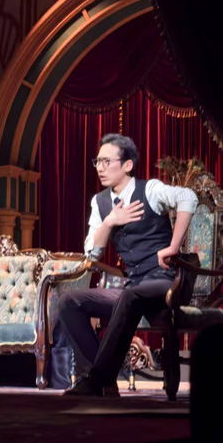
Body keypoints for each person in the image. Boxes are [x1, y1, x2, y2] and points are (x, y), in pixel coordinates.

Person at [56, 133, 198, 396]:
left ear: (127, 165)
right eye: (97, 161)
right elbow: (91, 254)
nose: (100, 167)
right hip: (133, 285)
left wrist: (173, 247)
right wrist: (110, 221)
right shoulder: (100, 203)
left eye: (107, 161)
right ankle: (102, 381)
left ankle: (96, 380)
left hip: (164, 281)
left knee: (130, 295)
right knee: (69, 302)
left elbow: (188, 197)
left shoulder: (150, 190)